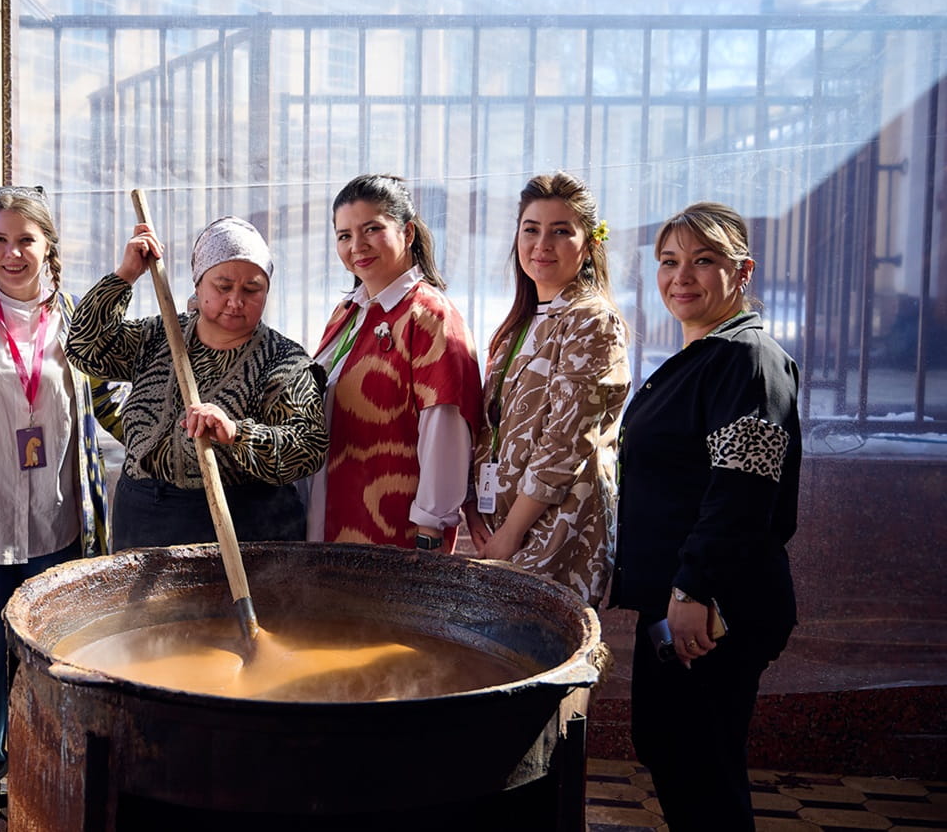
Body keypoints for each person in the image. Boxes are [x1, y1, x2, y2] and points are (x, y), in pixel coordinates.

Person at [612, 201, 801, 831]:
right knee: (674, 751)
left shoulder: (746, 360)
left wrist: (695, 586)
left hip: (709, 605)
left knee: (701, 767)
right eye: (669, 261)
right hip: (675, 600)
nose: (681, 276)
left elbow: (742, 490)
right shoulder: (699, 358)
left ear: (741, 273)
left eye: (704, 261)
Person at [0, 186, 121, 830]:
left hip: (57, 526)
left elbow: (110, 407)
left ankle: (51, 777)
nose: (13, 253)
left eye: (26, 239)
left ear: (49, 244)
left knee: (53, 663)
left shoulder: (81, 324)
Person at [65, 215, 327, 548]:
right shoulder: (159, 336)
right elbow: (84, 348)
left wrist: (237, 433)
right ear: (198, 283)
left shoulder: (283, 360)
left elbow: (308, 446)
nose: (235, 300)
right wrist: (126, 275)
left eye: (252, 289)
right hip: (144, 516)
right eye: (222, 286)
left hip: (241, 523)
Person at [463, 172, 629, 606]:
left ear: (589, 244)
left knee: (541, 659)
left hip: (555, 529)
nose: (542, 245)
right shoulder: (522, 319)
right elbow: (490, 425)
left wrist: (511, 532)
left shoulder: (591, 319)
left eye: (561, 232)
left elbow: (566, 441)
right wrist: (474, 510)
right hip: (500, 525)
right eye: (531, 230)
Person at [305, 173, 482, 550]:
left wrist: (430, 529)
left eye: (372, 229)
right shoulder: (347, 312)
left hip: (395, 531)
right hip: (333, 514)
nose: (357, 246)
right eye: (344, 235)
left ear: (409, 233)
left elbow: (444, 426)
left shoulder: (429, 315)